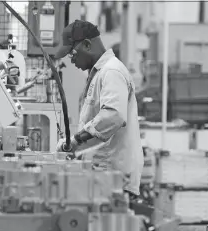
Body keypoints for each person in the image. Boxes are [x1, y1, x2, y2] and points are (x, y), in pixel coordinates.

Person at [55, 20, 144, 198]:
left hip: (114, 178)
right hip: (105, 174)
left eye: (72, 52)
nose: (71, 59)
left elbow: (113, 116)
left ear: (87, 44)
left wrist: (76, 140)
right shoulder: (100, 73)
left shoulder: (112, 72)